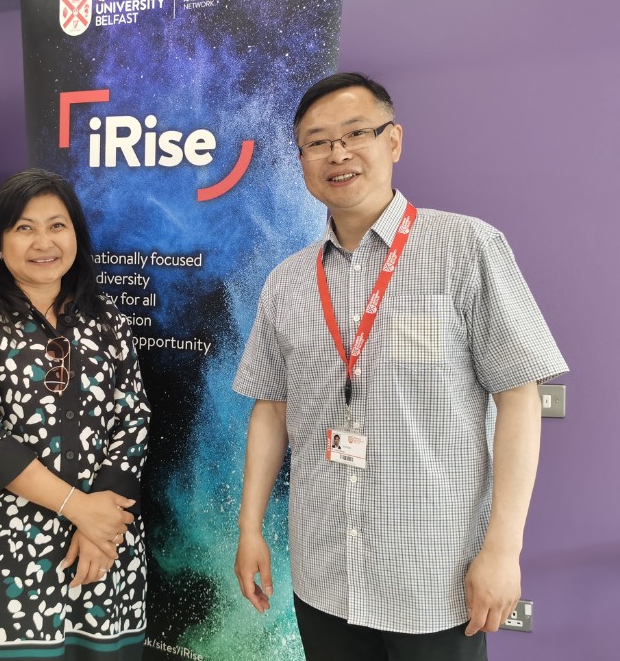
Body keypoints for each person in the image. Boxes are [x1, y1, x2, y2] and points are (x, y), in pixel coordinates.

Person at [232, 73, 567, 660]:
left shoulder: (466, 247)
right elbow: (270, 406)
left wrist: (503, 550)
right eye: (316, 141)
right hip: (324, 574)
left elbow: (519, 397)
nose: (337, 153)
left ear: (394, 141)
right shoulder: (287, 280)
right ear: (302, 159)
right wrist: (250, 527)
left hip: (433, 579)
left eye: (355, 132)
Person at [0, 168, 150, 660]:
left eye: (57, 225)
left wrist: (101, 526)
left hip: (100, 548)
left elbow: (132, 419)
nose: (43, 242)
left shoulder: (107, 320)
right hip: (3, 553)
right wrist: (82, 510)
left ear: (76, 234)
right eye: (24, 227)